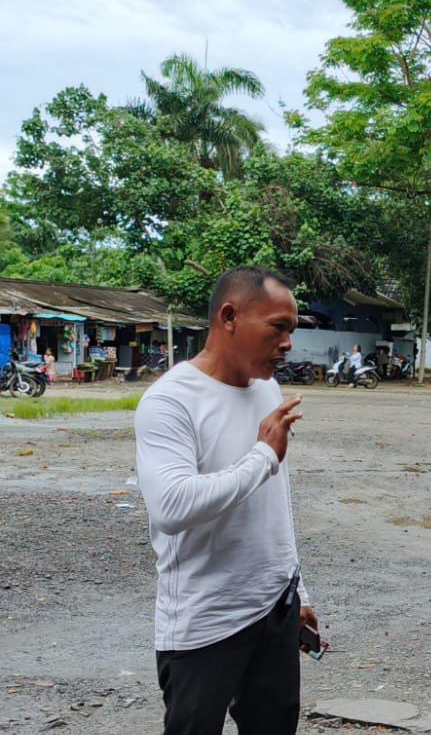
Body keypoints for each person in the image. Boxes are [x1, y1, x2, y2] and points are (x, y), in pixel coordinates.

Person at [134, 266, 318, 735]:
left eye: (292, 331)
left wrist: (297, 591)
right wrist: (263, 456)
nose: (287, 343)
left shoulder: (267, 389)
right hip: (204, 623)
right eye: (278, 327)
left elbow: (275, 504)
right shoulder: (170, 400)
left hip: (273, 610)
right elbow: (172, 507)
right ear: (230, 316)